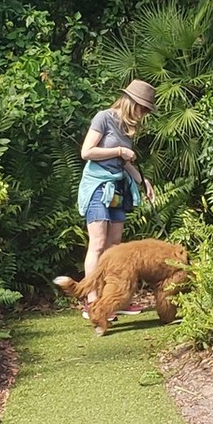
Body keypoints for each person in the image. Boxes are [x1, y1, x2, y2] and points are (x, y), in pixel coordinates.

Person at [77, 79, 156, 317]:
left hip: (118, 187)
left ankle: (114, 300)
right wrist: (119, 150)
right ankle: (92, 302)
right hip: (98, 186)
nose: (143, 113)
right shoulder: (104, 118)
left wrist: (144, 182)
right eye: (142, 108)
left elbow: (125, 164)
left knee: (115, 248)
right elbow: (87, 152)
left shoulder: (128, 128)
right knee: (99, 244)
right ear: (132, 102)